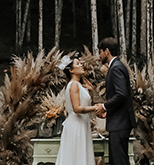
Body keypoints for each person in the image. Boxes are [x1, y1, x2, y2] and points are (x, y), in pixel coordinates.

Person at [55, 54, 102, 165]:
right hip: (76, 124)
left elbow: (85, 101)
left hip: (82, 123)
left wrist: (91, 92)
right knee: (76, 157)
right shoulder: (74, 85)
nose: (81, 65)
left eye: (80, 63)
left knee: (81, 156)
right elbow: (76, 108)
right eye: (78, 64)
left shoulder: (79, 85)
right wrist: (96, 108)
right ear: (71, 70)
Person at [97, 37, 134, 165]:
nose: (99, 56)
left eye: (100, 52)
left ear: (107, 51)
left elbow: (121, 94)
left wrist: (104, 106)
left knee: (120, 161)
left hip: (120, 123)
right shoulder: (116, 66)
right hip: (119, 121)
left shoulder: (116, 68)